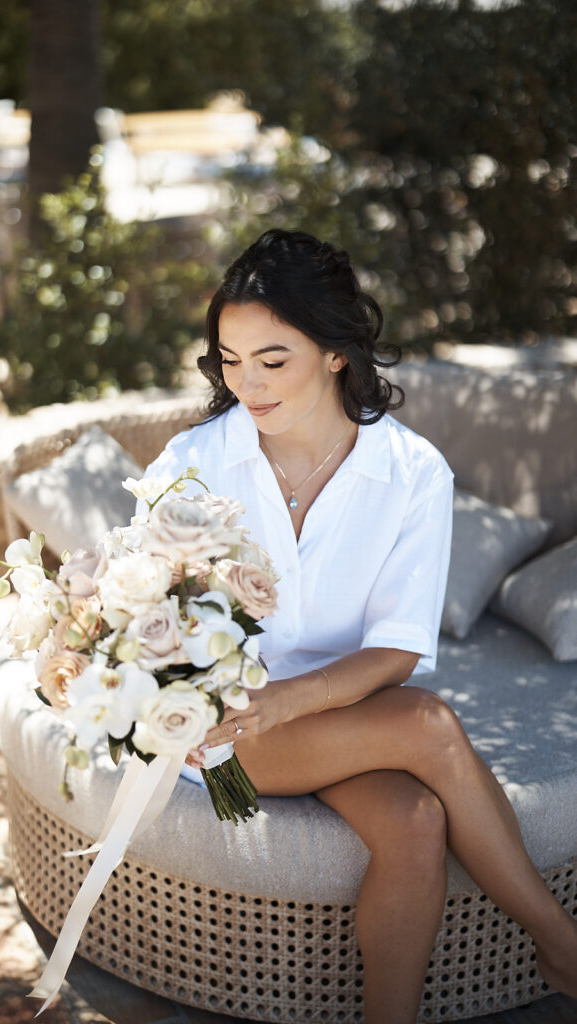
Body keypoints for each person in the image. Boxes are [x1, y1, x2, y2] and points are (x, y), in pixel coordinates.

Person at [139, 229, 577, 1024]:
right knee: (427, 723)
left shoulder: (411, 472)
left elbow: (398, 648)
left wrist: (290, 700)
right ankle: (559, 943)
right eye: (230, 361)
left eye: (272, 360)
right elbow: (149, 617)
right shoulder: (193, 464)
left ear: (336, 352)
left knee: (415, 821)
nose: (247, 384)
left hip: (334, 719)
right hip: (222, 737)